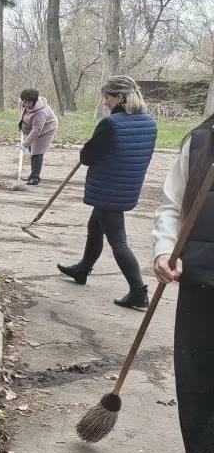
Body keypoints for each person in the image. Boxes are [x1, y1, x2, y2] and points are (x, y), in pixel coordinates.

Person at [150, 112, 214, 453]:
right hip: (201, 282)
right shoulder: (203, 141)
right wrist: (164, 249)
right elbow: (173, 206)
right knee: (195, 386)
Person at [57, 76, 157, 310]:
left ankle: (138, 291)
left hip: (108, 188)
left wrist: (87, 148)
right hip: (126, 185)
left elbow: (88, 156)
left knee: (118, 240)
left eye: (108, 97)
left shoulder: (111, 124)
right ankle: (83, 269)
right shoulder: (149, 121)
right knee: (95, 225)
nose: (105, 102)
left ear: (120, 97)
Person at [18, 88, 58, 185]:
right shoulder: (21, 102)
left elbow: (36, 130)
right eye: (25, 102)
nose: (26, 104)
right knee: (32, 150)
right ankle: (32, 175)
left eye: (29, 102)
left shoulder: (41, 112)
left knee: (37, 152)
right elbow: (21, 111)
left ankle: (35, 178)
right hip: (33, 128)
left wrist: (25, 143)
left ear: (34, 101)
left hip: (46, 130)